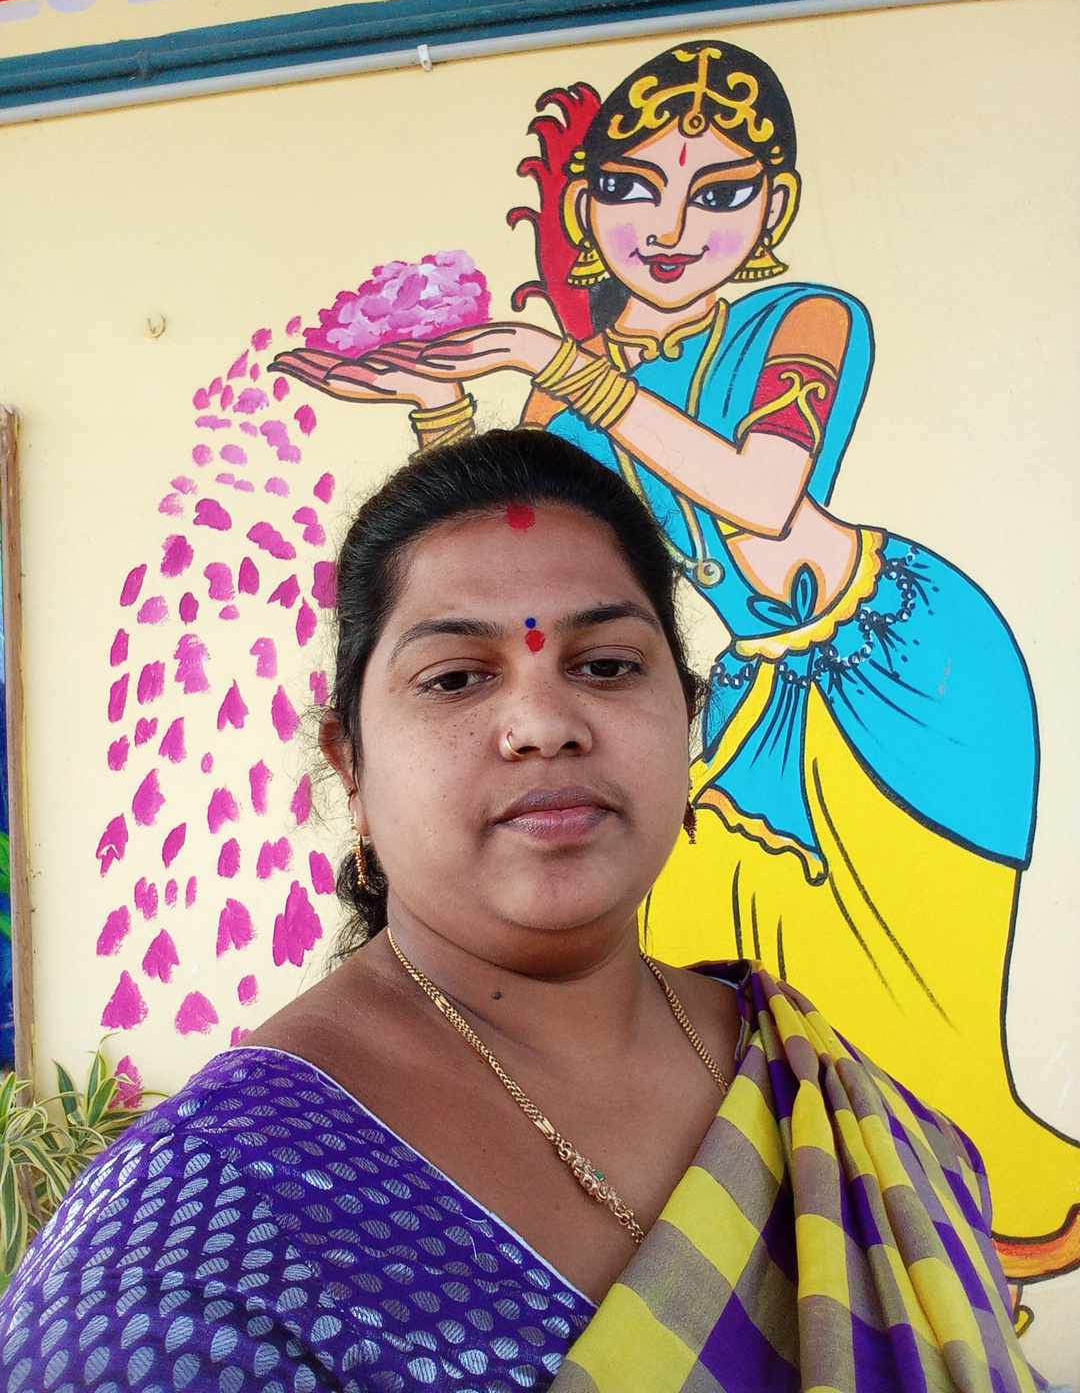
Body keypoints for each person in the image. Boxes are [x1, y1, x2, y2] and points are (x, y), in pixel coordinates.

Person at [0, 430, 1046, 1391]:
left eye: (607, 666)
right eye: (457, 678)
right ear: (350, 766)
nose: (544, 722)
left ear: (689, 725)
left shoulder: (833, 1102)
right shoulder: (184, 1256)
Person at [268, 41, 1080, 1271]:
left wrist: (545, 361)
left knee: (909, 1019)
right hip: (750, 692)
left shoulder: (803, 321)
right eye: (632, 187)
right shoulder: (573, 389)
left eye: (719, 191)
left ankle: (927, 1278)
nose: (669, 225)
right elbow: (512, 567)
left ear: (776, 207)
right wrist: (438, 401)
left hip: (899, 670)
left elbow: (760, 493)